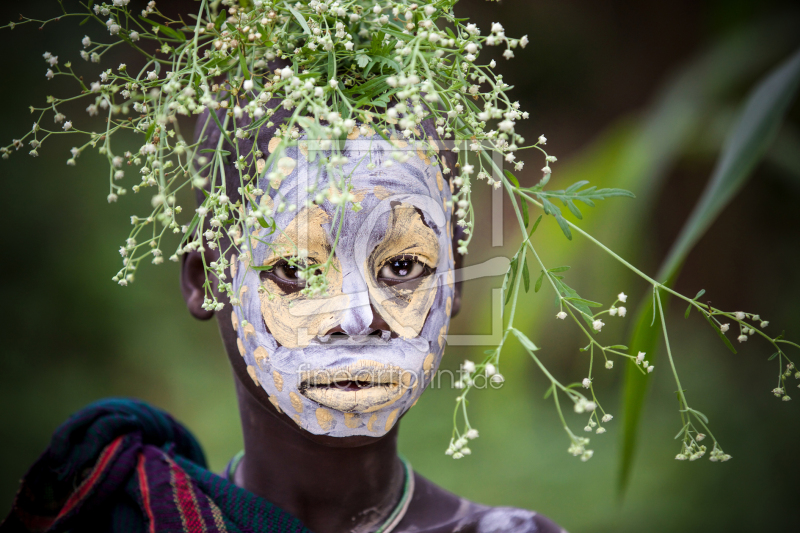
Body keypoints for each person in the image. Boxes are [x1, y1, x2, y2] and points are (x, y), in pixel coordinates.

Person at [2, 99, 564, 533]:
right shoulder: (130, 518)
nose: (356, 317)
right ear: (207, 282)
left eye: (400, 267)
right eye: (296, 268)